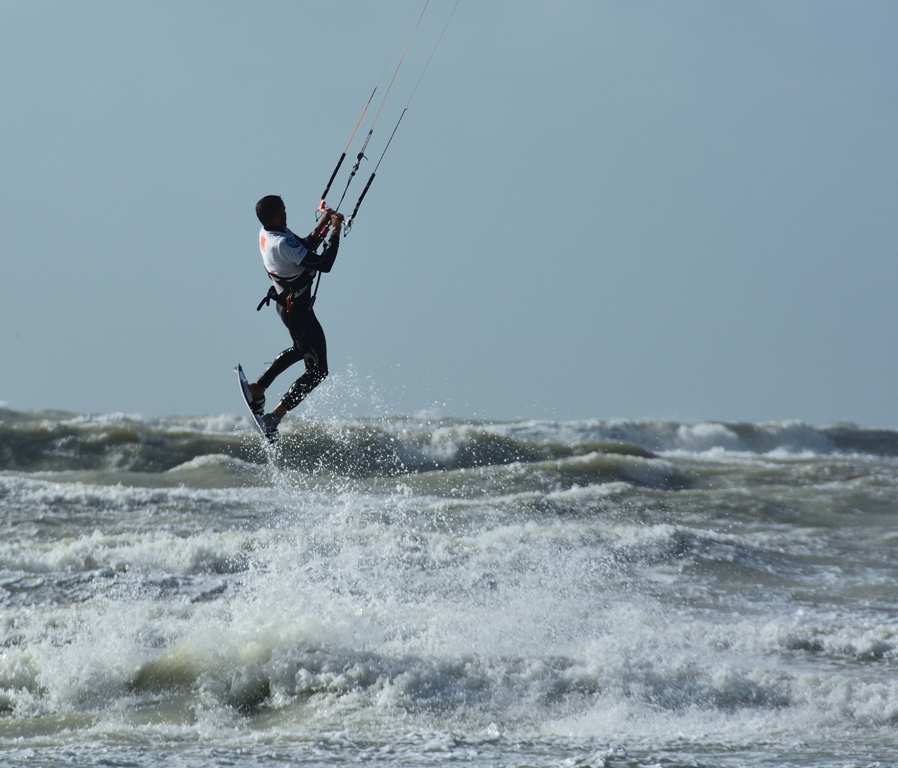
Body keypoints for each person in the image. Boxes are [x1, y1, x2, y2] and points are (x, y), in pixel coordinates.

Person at [245, 194, 343, 443]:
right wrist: (335, 231)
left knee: (301, 350)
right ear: (277, 215)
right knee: (318, 371)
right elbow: (324, 263)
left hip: (288, 307)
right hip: (298, 313)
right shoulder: (280, 244)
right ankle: (272, 418)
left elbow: (302, 246)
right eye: (284, 210)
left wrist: (322, 224)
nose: (287, 212)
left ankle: (258, 388)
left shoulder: (269, 233)